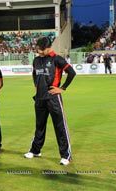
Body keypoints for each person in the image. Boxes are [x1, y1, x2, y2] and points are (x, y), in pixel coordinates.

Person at [24, 37, 76, 165]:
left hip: (53, 98)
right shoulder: (36, 60)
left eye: (42, 50)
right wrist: (37, 88)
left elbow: (71, 72)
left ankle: (66, 155)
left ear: (48, 48)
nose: (39, 52)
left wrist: (62, 88)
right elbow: (35, 74)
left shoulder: (56, 59)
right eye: (38, 49)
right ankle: (35, 150)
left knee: (59, 126)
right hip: (40, 98)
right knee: (39, 126)